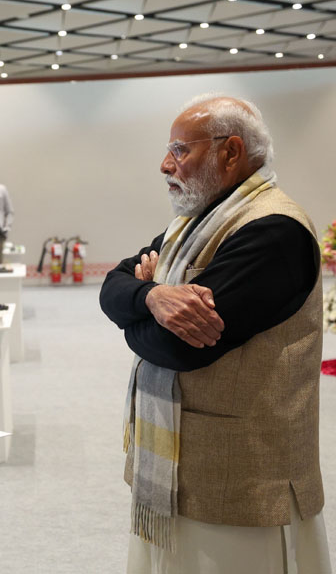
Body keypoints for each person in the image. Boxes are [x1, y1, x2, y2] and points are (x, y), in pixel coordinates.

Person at [99, 94, 330, 573]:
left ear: (231, 152)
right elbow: (112, 287)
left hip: (241, 475)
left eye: (180, 150)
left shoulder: (274, 231)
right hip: (184, 462)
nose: (165, 164)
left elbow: (177, 347)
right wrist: (152, 299)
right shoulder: (192, 223)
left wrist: (137, 314)